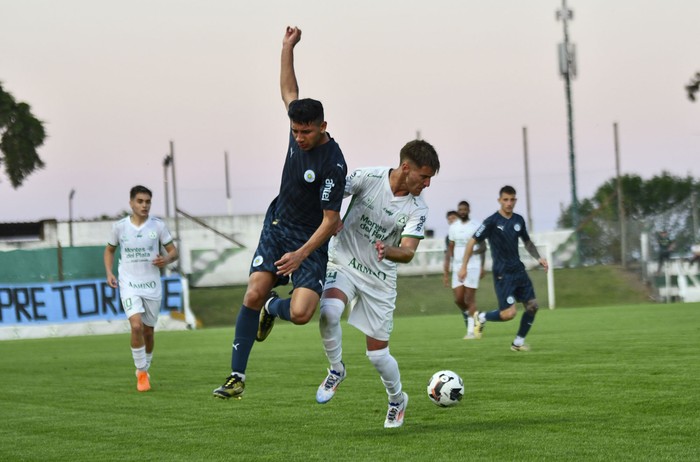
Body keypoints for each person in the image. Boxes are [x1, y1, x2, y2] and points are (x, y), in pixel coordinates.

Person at [213, 26, 347, 400]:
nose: (298, 137)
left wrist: (301, 254)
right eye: (295, 130)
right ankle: (236, 376)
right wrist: (287, 47)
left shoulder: (333, 165)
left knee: (303, 313)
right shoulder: (296, 128)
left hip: (311, 240)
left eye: (305, 132)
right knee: (253, 290)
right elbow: (289, 90)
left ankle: (275, 306)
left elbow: (331, 222)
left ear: (323, 126)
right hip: (278, 226)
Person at [314, 139, 440, 428]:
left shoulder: (417, 208)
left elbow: (407, 251)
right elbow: (327, 196)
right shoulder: (368, 177)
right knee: (328, 312)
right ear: (406, 168)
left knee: (378, 355)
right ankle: (336, 370)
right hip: (343, 262)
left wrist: (388, 250)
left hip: (379, 279)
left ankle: (397, 399)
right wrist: (330, 218)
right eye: (424, 177)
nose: (427, 184)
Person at [104, 185, 178, 392]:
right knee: (136, 326)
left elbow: (174, 252)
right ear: (131, 203)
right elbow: (109, 251)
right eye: (140, 201)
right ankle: (141, 372)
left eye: (147, 202)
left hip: (152, 284)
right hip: (129, 284)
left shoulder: (158, 226)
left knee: (148, 332)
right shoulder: (120, 227)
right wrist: (109, 272)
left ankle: (145, 366)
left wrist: (166, 258)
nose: (144, 205)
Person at [458, 185, 548, 352]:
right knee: (509, 314)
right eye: (505, 199)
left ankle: (518, 343)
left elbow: (527, 242)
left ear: (516, 200)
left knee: (533, 306)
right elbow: (472, 241)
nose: (509, 203)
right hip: (503, 273)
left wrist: (539, 257)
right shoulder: (492, 221)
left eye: (512, 199)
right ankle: (482, 317)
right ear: (499, 200)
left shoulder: (518, 220)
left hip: (519, 271)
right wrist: (463, 266)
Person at [443, 201, 485, 339]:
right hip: (457, 267)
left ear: (469, 210)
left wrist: (475, 257)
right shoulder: (453, 227)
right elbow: (451, 248)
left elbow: (483, 247)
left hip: (472, 266)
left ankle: (471, 332)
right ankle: (477, 318)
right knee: (459, 299)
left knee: (470, 298)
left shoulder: (476, 225)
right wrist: (447, 270)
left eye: (464, 209)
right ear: (458, 211)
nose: (462, 211)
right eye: (460, 209)